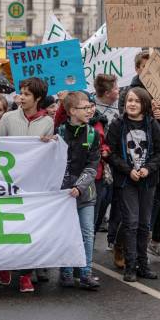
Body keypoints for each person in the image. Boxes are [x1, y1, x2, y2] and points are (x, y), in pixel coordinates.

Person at [0, 77, 54, 293]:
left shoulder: (47, 122)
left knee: (29, 230)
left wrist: (52, 144)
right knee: (8, 226)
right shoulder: (8, 118)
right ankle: (4, 264)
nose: (22, 97)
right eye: (21, 92)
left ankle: (26, 275)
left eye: (27, 94)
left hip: (32, 186)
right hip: (9, 183)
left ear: (38, 98)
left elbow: (49, 155)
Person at [106, 87, 160, 282]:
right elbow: (110, 153)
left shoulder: (152, 125)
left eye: (136, 101)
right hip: (126, 182)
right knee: (131, 222)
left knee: (143, 223)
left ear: (144, 104)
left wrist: (148, 168)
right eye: (129, 100)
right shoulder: (118, 124)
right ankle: (130, 266)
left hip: (148, 181)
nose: (132, 104)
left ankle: (143, 264)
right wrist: (127, 170)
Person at [56, 92, 101, 290]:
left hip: (86, 194)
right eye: (85, 107)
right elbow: (56, 162)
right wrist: (67, 186)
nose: (90, 110)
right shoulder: (59, 132)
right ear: (72, 111)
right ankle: (65, 272)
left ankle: (85, 273)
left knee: (87, 233)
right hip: (64, 195)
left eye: (91, 107)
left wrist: (79, 186)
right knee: (66, 233)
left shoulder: (93, 134)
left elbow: (93, 165)